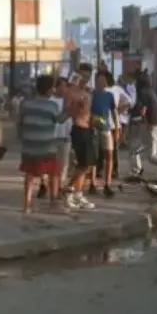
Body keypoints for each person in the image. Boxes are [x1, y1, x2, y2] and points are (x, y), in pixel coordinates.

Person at [19, 75, 69, 213]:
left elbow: (20, 122)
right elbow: (60, 120)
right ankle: (53, 202)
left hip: (29, 145)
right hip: (46, 145)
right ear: (49, 89)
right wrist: (71, 110)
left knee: (30, 174)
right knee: (54, 173)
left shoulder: (26, 104)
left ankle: (27, 204)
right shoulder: (51, 106)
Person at [65, 65, 97, 210]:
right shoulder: (71, 93)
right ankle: (68, 190)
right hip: (78, 129)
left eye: (88, 77)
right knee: (83, 164)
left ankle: (77, 193)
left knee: (87, 165)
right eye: (83, 76)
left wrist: (95, 120)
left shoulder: (88, 93)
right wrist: (77, 107)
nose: (85, 80)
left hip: (88, 129)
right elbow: (66, 112)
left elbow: (90, 113)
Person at [90, 71, 119, 198]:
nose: (102, 82)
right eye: (100, 80)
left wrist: (117, 127)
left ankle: (107, 184)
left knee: (109, 155)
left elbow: (114, 111)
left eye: (104, 80)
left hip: (106, 128)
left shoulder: (109, 95)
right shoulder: (91, 95)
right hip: (93, 128)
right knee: (94, 157)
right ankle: (92, 183)